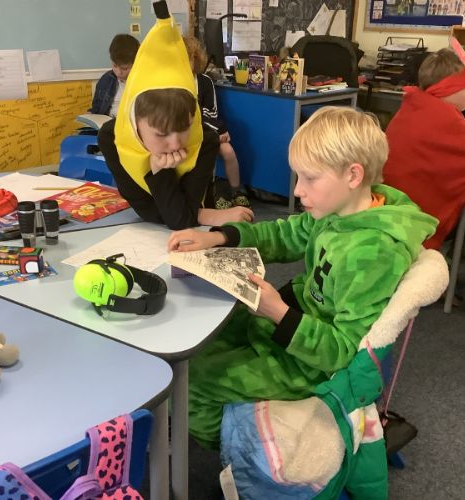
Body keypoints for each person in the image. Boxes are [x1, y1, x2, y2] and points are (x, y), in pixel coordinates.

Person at [167, 106, 437, 451]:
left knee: (194, 384)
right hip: (292, 324)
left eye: (309, 178)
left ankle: (240, 455)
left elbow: (343, 354)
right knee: (198, 344)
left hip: (311, 365)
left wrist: (277, 313)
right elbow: (287, 234)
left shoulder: (372, 254)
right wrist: (222, 236)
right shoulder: (341, 209)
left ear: (353, 175)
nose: (297, 191)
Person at [98, 3, 253, 230]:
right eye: (161, 134)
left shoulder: (204, 140)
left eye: (185, 128)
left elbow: (179, 219)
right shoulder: (113, 138)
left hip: (194, 234)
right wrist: (202, 214)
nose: (175, 144)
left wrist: (161, 173)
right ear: (135, 123)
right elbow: (149, 211)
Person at [383, 47, 465, 251]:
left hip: (388, 209)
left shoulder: (412, 105)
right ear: (453, 88)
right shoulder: (449, 121)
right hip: (419, 221)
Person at [182, 36, 251, 210]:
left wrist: (219, 130)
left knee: (227, 150)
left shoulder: (204, 82)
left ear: (195, 59)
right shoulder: (173, 84)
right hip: (184, 134)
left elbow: (211, 112)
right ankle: (209, 194)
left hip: (207, 128)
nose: (184, 64)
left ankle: (236, 191)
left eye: (188, 59)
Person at [89, 34, 140, 117]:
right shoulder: (106, 79)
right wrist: (91, 114)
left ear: (136, 64)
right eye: (115, 66)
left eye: (124, 68)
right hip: (109, 121)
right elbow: (97, 108)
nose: (118, 72)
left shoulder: (144, 82)